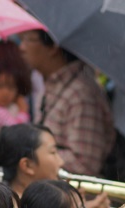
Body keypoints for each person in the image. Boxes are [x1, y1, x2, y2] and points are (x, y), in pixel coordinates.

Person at [18, 29, 115, 177]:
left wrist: (35, 155)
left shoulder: (81, 95)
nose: (22, 47)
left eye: (29, 40)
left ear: (53, 47)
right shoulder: (53, 85)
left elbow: (85, 165)